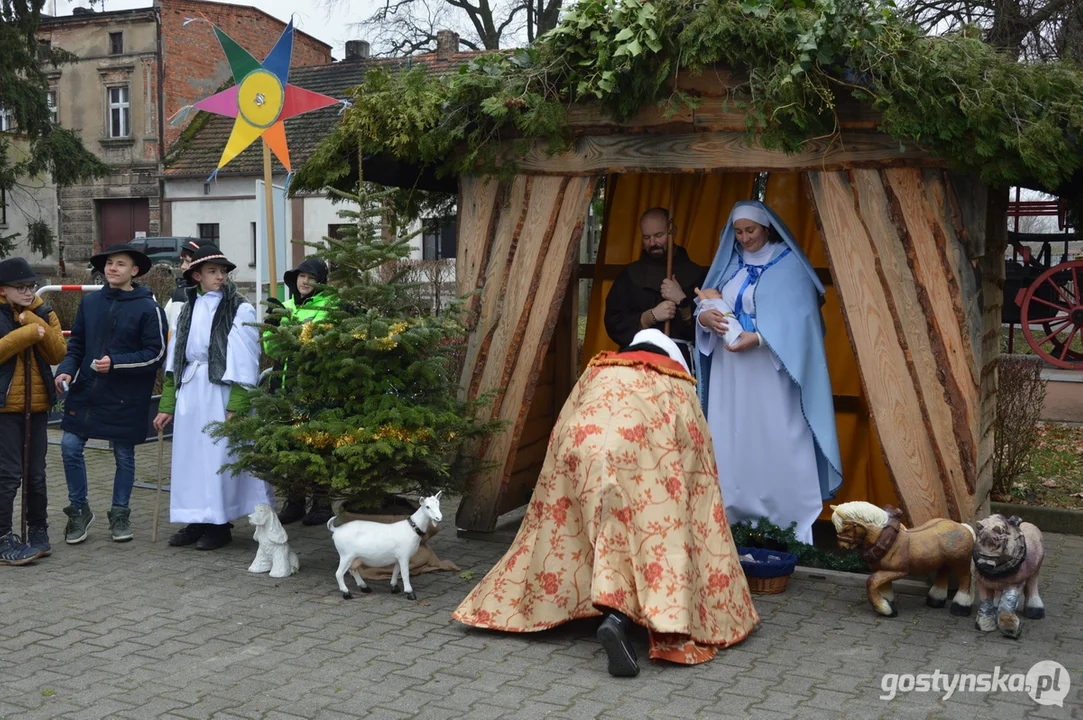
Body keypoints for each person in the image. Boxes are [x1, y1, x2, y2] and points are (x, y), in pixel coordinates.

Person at [453, 329, 759, 677]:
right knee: (652, 536)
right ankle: (622, 620)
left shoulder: (597, 370)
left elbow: (565, 422)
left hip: (580, 450)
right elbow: (697, 457)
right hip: (638, 456)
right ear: (673, 357)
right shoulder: (676, 382)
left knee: (576, 531)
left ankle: (562, 605)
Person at [694, 201, 843, 544]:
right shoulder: (729, 263)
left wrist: (760, 337)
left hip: (773, 373)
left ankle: (788, 520)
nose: (744, 238)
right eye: (739, 231)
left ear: (767, 228)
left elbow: (803, 324)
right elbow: (705, 304)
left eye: (751, 230)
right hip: (730, 373)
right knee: (733, 437)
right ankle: (732, 519)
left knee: (778, 438)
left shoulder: (789, 266)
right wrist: (705, 318)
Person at [153, 245, 273, 551]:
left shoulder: (239, 308)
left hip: (219, 391)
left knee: (218, 457)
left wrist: (238, 404)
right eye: (212, 271)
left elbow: (246, 359)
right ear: (197, 276)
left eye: (223, 271)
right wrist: (168, 404)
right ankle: (197, 520)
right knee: (191, 459)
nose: (220, 277)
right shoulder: (187, 309)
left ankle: (220, 524)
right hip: (191, 391)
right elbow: (175, 359)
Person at [55, 244, 167, 544]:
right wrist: (65, 369)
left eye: (120, 264)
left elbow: (155, 354)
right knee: (68, 446)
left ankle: (120, 513)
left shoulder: (149, 308)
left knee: (124, 456)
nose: (112, 268)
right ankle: (79, 510)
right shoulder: (90, 302)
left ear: (135, 271)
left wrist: (117, 363)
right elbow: (77, 342)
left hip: (125, 397)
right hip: (87, 393)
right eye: (109, 263)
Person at [0, 259, 66, 565]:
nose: (28, 291)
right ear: (3, 289)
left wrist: (36, 323)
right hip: (5, 407)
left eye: (31, 286)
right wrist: (26, 333)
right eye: (20, 287)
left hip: (37, 405)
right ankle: (2, 538)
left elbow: (57, 352)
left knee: (36, 475)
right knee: (9, 475)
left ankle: (38, 530)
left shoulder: (43, 311)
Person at [264, 257, 336, 526]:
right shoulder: (286, 306)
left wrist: (289, 332)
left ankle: (322, 503)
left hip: (312, 387)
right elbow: (273, 351)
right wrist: (272, 328)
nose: (305, 281)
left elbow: (315, 346)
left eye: (311, 277)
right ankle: (294, 501)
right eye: (301, 276)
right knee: (289, 445)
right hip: (282, 384)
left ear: (321, 282)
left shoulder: (329, 307)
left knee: (316, 444)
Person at [604, 208, 707, 356]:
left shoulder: (695, 274)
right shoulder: (630, 275)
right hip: (639, 358)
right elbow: (614, 322)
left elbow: (708, 328)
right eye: (646, 237)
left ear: (673, 231)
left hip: (681, 358)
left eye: (659, 235)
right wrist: (647, 317)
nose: (653, 243)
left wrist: (683, 303)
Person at [163, 239, 202, 342]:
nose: (183, 266)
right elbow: (174, 334)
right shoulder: (180, 294)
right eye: (183, 261)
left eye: (188, 262)